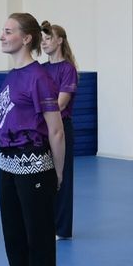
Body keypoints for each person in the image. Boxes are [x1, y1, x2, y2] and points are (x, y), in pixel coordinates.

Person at [0, 13, 66, 266]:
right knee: (14, 239)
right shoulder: (12, 76)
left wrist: (57, 174)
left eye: (8, 31)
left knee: (39, 241)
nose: (2, 36)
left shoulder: (39, 77)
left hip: (34, 166)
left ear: (26, 38)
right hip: (7, 166)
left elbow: (56, 130)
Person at [41, 20, 78, 240]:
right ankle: (46, 223)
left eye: (48, 38)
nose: (44, 43)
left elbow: (61, 103)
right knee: (43, 177)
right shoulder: (41, 69)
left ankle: (62, 229)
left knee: (61, 178)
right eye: (42, 39)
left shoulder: (68, 69)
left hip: (61, 128)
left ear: (60, 40)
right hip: (42, 129)